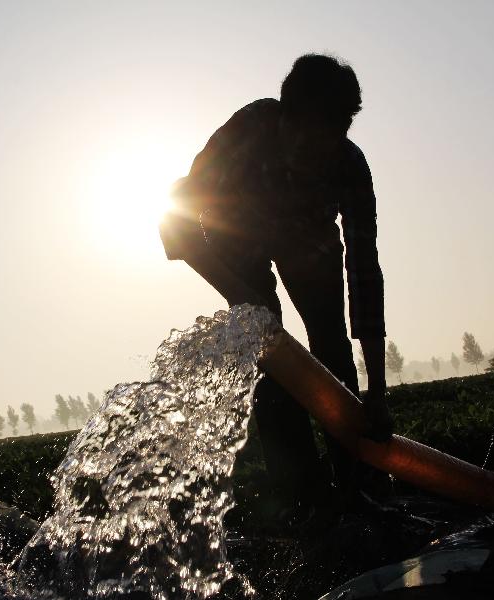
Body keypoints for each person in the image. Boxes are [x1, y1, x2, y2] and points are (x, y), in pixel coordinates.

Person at [160, 54, 394, 522]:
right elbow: (176, 220)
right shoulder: (250, 129)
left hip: (309, 244)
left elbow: (364, 269)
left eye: (336, 133)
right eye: (308, 136)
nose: (319, 151)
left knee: (330, 349)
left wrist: (379, 391)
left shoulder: (349, 165)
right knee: (268, 351)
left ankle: (359, 484)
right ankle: (304, 498)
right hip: (237, 234)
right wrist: (241, 298)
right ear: (285, 115)